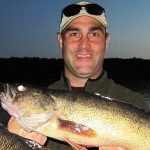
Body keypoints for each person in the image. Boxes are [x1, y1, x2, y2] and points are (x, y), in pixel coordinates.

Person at [8, 1, 149, 150]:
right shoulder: (25, 117)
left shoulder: (134, 102)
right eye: (74, 34)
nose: (84, 44)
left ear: (106, 41)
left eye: (94, 34)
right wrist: (15, 146)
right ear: (61, 41)